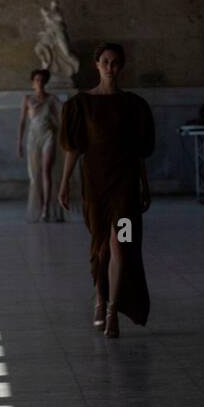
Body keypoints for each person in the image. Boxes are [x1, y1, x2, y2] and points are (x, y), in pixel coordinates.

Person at [58, 42, 155, 338]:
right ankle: (99, 298)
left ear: (121, 66)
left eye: (115, 63)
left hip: (125, 184)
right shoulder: (80, 105)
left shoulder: (134, 105)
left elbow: (138, 151)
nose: (110, 68)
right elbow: (74, 149)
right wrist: (64, 183)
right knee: (100, 247)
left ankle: (112, 310)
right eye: (106, 62)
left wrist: (145, 185)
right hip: (95, 184)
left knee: (119, 244)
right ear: (96, 65)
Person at [18, 68, 63, 222]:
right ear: (33, 83)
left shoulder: (52, 99)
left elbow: (62, 117)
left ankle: (46, 208)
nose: (40, 82)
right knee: (35, 174)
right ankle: (39, 205)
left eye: (42, 80)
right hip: (33, 138)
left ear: (46, 82)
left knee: (46, 171)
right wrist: (19, 142)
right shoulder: (27, 99)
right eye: (37, 80)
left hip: (48, 135)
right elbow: (22, 122)